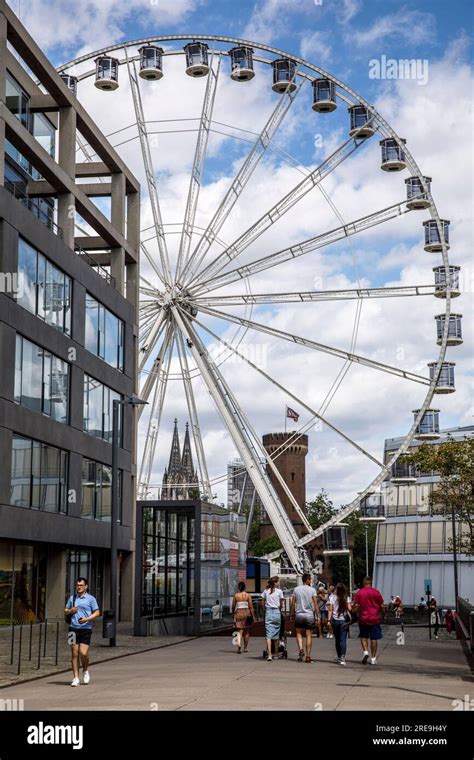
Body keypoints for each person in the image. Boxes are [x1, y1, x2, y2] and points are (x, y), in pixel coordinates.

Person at [64, 577, 100, 687]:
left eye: (81, 585)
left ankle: (85, 670)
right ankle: (75, 678)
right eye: (77, 585)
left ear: (86, 586)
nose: (79, 587)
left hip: (86, 628)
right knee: (74, 653)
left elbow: (97, 612)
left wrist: (87, 619)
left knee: (83, 653)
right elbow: (65, 611)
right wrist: (70, 610)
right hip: (73, 628)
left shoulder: (91, 599)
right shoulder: (72, 598)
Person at [354, 576, 385, 666]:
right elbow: (382, 606)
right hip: (374, 619)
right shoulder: (376, 592)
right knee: (374, 638)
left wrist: (354, 613)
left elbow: (356, 606)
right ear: (371, 583)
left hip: (363, 618)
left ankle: (365, 652)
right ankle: (373, 659)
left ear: (364, 583)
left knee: (363, 637)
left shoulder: (359, 593)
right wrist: (383, 615)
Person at [290, 573, 319, 663]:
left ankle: (301, 649)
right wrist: (318, 616)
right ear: (307, 580)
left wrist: (291, 614)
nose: (311, 581)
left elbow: (293, 603)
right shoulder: (312, 590)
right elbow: (315, 604)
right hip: (309, 615)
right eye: (310, 579)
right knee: (308, 635)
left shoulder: (296, 589)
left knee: (298, 633)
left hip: (299, 614)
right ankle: (308, 657)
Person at [328, 582, 352, 666]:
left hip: (335, 620)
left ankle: (338, 656)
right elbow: (349, 608)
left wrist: (328, 620)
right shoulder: (347, 598)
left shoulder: (332, 597)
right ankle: (343, 657)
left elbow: (330, 610)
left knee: (337, 640)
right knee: (343, 640)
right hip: (344, 621)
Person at [261, 577, 284, 661]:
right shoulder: (279, 591)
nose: (278, 583)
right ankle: (276, 654)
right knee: (276, 634)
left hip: (268, 612)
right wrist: (279, 608)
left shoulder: (265, 591)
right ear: (275, 583)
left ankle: (270, 654)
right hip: (277, 612)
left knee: (268, 634)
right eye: (278, 582)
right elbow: (281, 604)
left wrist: (266, 609)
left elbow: (262, 603)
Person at [232, 583, 255, 653]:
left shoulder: (236, 595)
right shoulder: (247, 595)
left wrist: (233, 614)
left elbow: (233, 606)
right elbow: (251, 607)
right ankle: (245, 648)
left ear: (239, 588)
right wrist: (253, 615)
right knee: (247, 631)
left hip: (238, 613)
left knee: (240, 631)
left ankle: (239, 644)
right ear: (244, 587)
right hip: (246, 613)